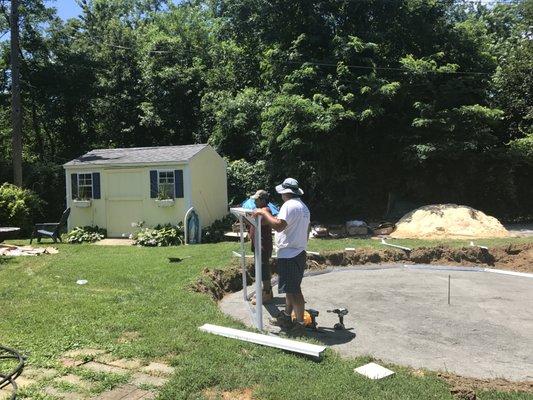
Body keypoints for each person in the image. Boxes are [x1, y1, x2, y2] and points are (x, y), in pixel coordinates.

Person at [253, 178, 310, 336]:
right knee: (290, 289)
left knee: (295, 290)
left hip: (290, 253)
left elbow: (278, 226)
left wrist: (264, 212)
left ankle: (299, 325)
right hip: (297, 252)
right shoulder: (303, 207)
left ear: (286, 193)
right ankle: (286, 316)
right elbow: (307, 229)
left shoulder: (289, 205)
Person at [248, 190, 273, 304]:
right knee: (260, 268)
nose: (254, 201)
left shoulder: (265, 211)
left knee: (263, 269)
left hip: (263, 245)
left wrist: (251, 216)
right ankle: (264, 291)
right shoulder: (259, 211)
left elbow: (259, 221)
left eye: (256, 199)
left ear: (263, 200)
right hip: (258, 245)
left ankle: (267, 293)